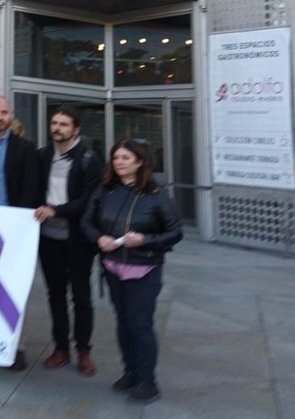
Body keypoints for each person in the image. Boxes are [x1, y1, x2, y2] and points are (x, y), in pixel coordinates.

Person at [82, 138, 182, 403]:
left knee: (140, 324)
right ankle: (130, 371)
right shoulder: (105, 191)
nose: (119, 162)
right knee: (123, 322)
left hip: (144, 268)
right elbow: (86, 222)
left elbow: (175, 232)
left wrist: (145, 240)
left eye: (125, 158)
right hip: (113, 266)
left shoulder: (157, 195)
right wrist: (98, 238)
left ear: (139, 161)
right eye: (116, 158)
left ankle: (148, 381)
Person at [32, 107, 103, 375]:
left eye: (63, 124)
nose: (57, 128)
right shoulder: (42, 156)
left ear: (76, 129)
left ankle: (84, 351)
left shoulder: (89, 159)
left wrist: (56, 210)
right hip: (48, 239)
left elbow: (89, 201)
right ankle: (61, 348)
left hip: (78, 241)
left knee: (81, 296)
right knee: (55, 295)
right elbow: (34, 191)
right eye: (54, 123)